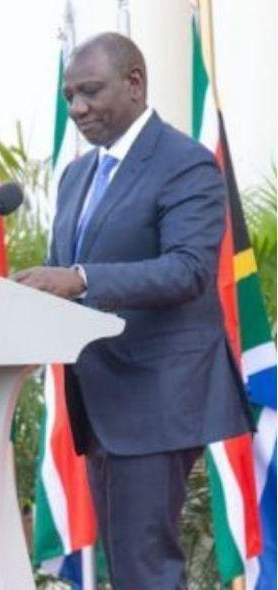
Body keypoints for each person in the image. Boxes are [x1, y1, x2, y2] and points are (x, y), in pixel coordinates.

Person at [14, 33, 252, 588]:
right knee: (130, 567)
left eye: (90, 92)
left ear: (135, 83)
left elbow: (189, 270)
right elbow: (61, 280)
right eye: (69, 96)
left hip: (156, 398)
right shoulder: (76, 177)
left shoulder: (184, 162)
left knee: (145, 568)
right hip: (99, 399)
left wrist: (79, 279)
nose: (77, 109)